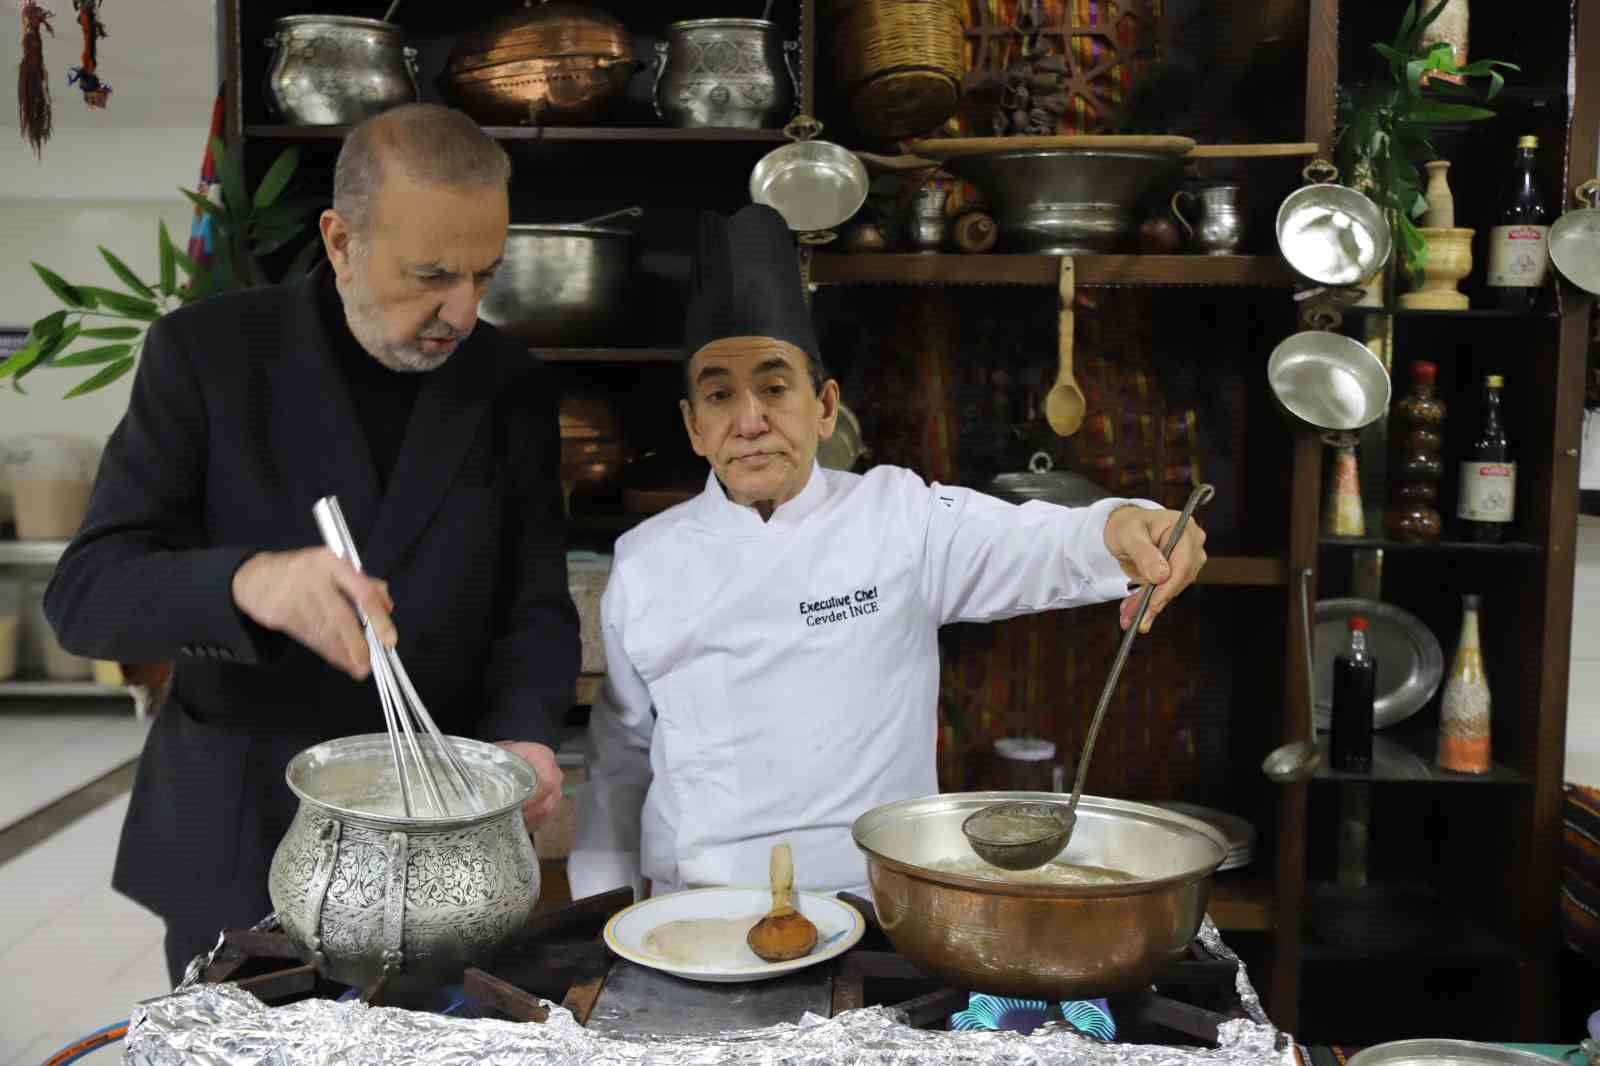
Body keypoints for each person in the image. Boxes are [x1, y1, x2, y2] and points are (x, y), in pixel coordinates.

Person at [43, 103, 579, 983]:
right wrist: (245, 584)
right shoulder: (208, 356)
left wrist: (524, 738)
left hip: (437, 845)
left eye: (485, 274)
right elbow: (86, 596)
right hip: (246, 836)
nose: (461, 310)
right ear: (339, 241)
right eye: (432, 274)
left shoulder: (508, 384)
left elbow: (534, 604)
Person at [569, 204, 1207, 901]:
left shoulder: (900, 517)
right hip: (692, 909)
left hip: (872, 903)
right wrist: (597, 913)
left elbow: (1041, 542)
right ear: (694, 427)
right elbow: (619, 761)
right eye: (719, 395)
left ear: (824, 406)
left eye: (775, 387)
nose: (749, 421)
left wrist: (1129, 525)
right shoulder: (645, 560)